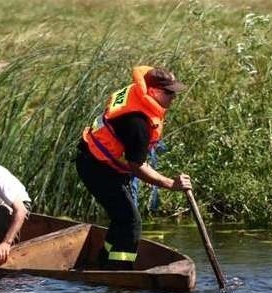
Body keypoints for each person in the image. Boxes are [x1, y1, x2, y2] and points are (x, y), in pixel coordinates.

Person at [76, 66, 192, 270]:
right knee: (131, 221)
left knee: (122, 218)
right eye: (169, 93)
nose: (174, 97)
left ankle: (104, 263)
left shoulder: (139, 92)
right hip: (95, 166)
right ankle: (120, 273)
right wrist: (170, 183)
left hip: (107, 162)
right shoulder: (137, 122)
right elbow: (137, 166)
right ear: (154, 92)